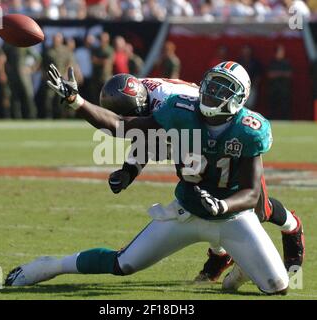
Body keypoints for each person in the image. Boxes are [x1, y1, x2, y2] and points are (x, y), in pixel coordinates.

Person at [6, 62, 290, 295]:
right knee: (124, 264)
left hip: (233, 219)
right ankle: (51, 265)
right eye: (212, 85)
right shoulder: (180, 109)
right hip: (186, 212)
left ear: (239, 99)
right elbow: (126, 127)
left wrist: (222, 206)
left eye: (222, 90)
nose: (213, 93)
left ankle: (241, 267)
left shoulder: (249, 129)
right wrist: (76, 101)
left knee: (278, 286)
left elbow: (252, 193)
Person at [100, 72, 304, 282]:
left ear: (141, 101)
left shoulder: (168, 103)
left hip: (220, 127)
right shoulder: (146, 98)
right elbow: (147, 135)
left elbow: (150, 134)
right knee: (202, 193)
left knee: (258, 209)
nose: (132, 119)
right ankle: (220, 255)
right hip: (197, 137)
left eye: (132, 114)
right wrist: (128, 170)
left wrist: (129, 168)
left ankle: (291, 225)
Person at [3, 44, 41, 119]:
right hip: (12, 76)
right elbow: (2, 57)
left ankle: (31, 116)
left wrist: (31, 69)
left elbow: (38, 58)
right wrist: (5, 70)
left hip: (24, 76)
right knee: (14, 97)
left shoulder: (25, 44)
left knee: (28, 96)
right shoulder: (8, 45)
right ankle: (16, 117)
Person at [267, 45, 292, 120]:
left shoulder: (286, 62)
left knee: (285, 106)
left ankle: (286, 120)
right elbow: (270, 74)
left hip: (284, 89)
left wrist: (277, 74)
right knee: (273, 106)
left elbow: (289, 74)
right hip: (274, 88)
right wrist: (281, 74)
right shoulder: (272, 62)